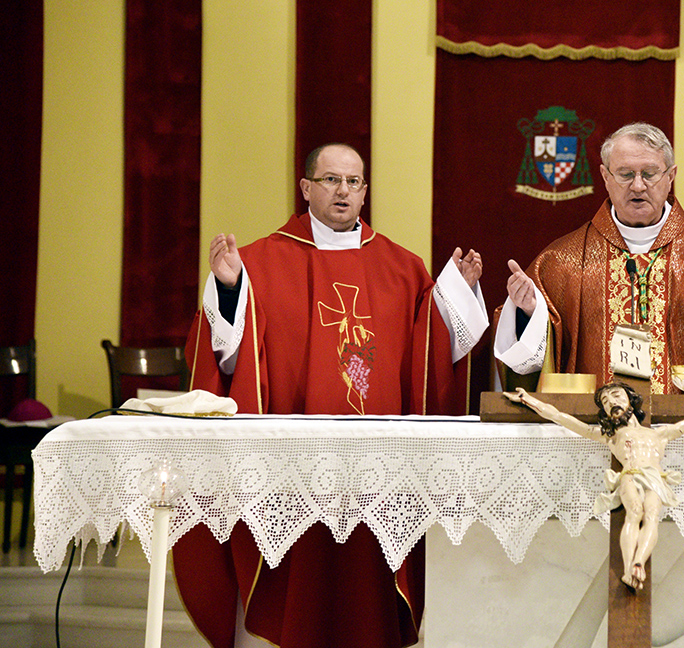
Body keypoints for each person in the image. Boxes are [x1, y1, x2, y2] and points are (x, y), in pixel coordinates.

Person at [173, 143, 489, 648]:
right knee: (300, 581)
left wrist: (455, 297)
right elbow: (228, 363)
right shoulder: (258, 261)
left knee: (367, 595)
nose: (343, 191)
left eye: (353, 182)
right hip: (290, 472)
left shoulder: (402, 266)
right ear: (306, 188)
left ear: (364, 191)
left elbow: (430, 356)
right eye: (331, 180)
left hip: (379, 472)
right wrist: (230, 291)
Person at [494, 122, 684, 395]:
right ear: (605, 177)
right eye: (625, 174)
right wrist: (528, 314)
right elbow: (528, 364)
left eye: (649, 174)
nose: (637, 186)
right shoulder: (563, 260)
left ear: (670, 177)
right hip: (591, 423)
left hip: (683, 423)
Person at [503, 381, 684, 589]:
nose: (611, 402)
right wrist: (528, 399)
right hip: (630, 474)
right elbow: (561, 417)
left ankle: (639, 562)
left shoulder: (659, 434)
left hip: (655, 476)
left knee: (652, 515)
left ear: (631, 401)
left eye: (616, 396)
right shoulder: (611, 436)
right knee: (634, 513)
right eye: (605, 401)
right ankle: (628, 569)